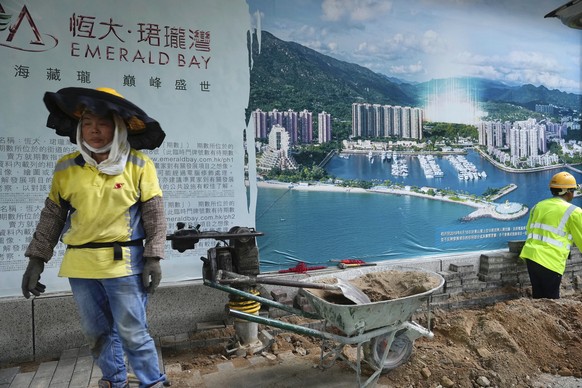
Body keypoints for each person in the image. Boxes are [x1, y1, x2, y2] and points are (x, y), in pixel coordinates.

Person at [21, 87, 167, 388]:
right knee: (96, 332)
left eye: (103, 123)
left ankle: (153, 382)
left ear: (118, 127)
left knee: (133, 332)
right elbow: (52, 217)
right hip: (81, 266)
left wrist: (153, 257)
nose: (94, 130)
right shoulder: (66, 168)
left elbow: (154, 214)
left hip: (124, 265)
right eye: (87, 123)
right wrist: (36, 260)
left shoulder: (138, 165)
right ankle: (114, 382)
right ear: (79, 128)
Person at [520, 171, 582, 299]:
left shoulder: (538, 206)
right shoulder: (574, 211)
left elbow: (529, 230)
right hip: (550, 260)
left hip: (531, 256)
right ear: (569, 192)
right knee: (551, 300)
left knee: (539, 298)